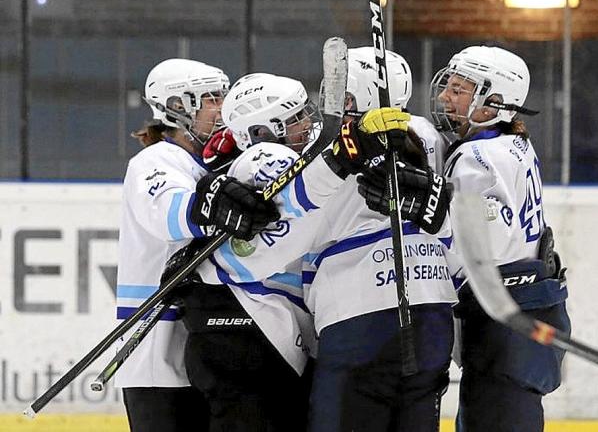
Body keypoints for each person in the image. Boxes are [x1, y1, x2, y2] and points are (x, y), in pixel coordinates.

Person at [193, 48, 457, 432]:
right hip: (432, 312)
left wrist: (208, 259)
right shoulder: (423, 137)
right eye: (296, 117)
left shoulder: (328, 155)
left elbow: (276, 240)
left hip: (356, 316)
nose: (313, 121)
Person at [358, 45, 571, 432]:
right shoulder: (513, 143)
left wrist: (431, 205)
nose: (444, 97)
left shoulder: (478, 157)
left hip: (506, 320)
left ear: (494, 102)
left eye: (458, 88)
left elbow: (492, 238)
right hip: (529, 307)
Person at [115, 58, 274, 432]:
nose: (224, 106)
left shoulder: (213, 165)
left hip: (205, 348)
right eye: (212, 99)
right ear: (176, 108)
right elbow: (171, 214)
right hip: (157, 360)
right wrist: (213, 204)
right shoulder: (155, 162)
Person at [170, 73, 322, 431]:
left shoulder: (244, 160)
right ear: (262, 132)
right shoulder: (267, 157)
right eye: (295, 118)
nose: (307, 124)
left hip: (245, 334)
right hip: (247, 334)